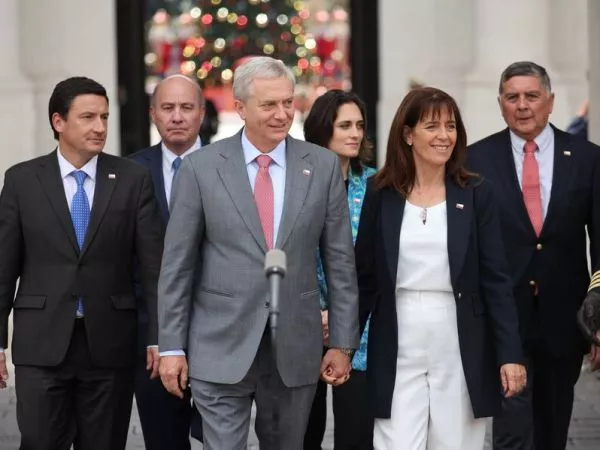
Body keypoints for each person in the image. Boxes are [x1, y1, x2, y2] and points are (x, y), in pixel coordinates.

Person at [157, 56, 359, 449]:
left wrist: (342, 342)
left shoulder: (321, 166)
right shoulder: (200, 169)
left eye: (288, 102)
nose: (282, 114)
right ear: (240, 108)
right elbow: (177, 267)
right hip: (219, 342)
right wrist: (171, 346)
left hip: (295, 346)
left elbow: (340, 262)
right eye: (269, 105)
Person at [356, 87, 526, 450]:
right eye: (432, 126)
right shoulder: (380, 193)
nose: (444, 135)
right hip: (397, 332)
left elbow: (496, 280)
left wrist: (510, 354)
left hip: (460, 333)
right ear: (408, 134)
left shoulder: (477, 192)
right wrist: (343, 344)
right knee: (396, 442)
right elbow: (364, 277)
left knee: (456, 442)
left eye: (450, 126)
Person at [0, 76, 164, 450]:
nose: (100, 127)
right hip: (40, 345)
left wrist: (159, 337)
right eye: (88, 117)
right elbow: (3, 269)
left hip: (109, 344)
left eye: (104, 117)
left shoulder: (132, 179)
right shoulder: (22, 181)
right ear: (58, 121)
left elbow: (153, 269)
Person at [467, 61, 600, 450]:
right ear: (500, 104)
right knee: (512, 429)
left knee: (552, 428)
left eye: (532, 96)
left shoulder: (588, 158)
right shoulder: (475, 160)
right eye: (512, 97)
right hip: (503, 316)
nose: (522, 105)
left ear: (550, 102)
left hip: (564, 317)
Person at [129, 74, 206, 450]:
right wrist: (152, 334)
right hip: (151, 338)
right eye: (168, 108)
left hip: (218, 334)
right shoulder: (129, 172)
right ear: (153, 114)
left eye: (186, 107)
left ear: (202, 113)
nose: (177, 116)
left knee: (221, 439)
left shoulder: (229, 165)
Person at [302, 90, 376, 450]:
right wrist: (319, 311)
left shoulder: (378, 186)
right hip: (305, 324)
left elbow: (379, 264)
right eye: (345, 125)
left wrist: (343, 315)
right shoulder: (298, 185)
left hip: (363, 330)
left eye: (359, 125)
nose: (355, 133)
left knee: (356, 435)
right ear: (322, 129)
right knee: (304, 434)